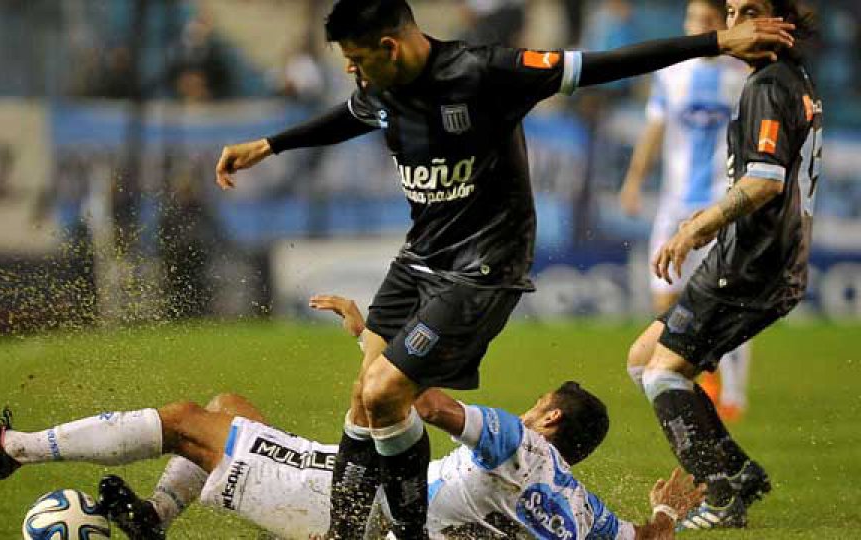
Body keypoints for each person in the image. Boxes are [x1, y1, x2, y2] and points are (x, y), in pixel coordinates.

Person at [213, 1, 793, 537]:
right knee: (364, 401)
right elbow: (349, 116)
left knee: (387, 390)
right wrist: (270, 144)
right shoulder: (379, 87)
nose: (351, 71)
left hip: (483, 266)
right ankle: (344, 535)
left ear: (391, 46)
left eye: (358, 58)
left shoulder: (483, 71)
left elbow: (602, 64)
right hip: (420, 257)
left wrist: (717, 41)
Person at [0, 295, 705, 540]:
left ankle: (12, 447)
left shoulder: (513, 442)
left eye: (538, 404)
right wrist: (665, 516)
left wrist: (369, 337)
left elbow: (415, 399)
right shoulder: (581, 510)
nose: (528, 408)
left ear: (548, 416)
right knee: (230, 407)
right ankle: (153, 518)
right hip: (371, 499)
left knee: (185, 421)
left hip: (350, 505)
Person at [626, 0, 821, 530]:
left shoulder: (767, 87)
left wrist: (697, 227)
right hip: (748, 255)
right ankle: (739, 471)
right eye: (731, 11)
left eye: (749, 11)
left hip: (754, 264)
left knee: (662, 374)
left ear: (779, 24)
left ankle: (720, 494)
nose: (733, 24)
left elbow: (765, 181)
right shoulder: (788, 79)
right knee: (642, 359)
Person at [619, 0, 751, 421]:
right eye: (692, 19)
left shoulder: (742, 76)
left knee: (726, 297)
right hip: (674, 202)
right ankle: (692, 372)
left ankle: (732, 393)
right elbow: (654, 130)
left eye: (706, 20)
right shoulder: (671, 74)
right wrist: (634, 180)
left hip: (720, 202)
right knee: (665, 294)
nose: (698, 27)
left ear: (721, 24)